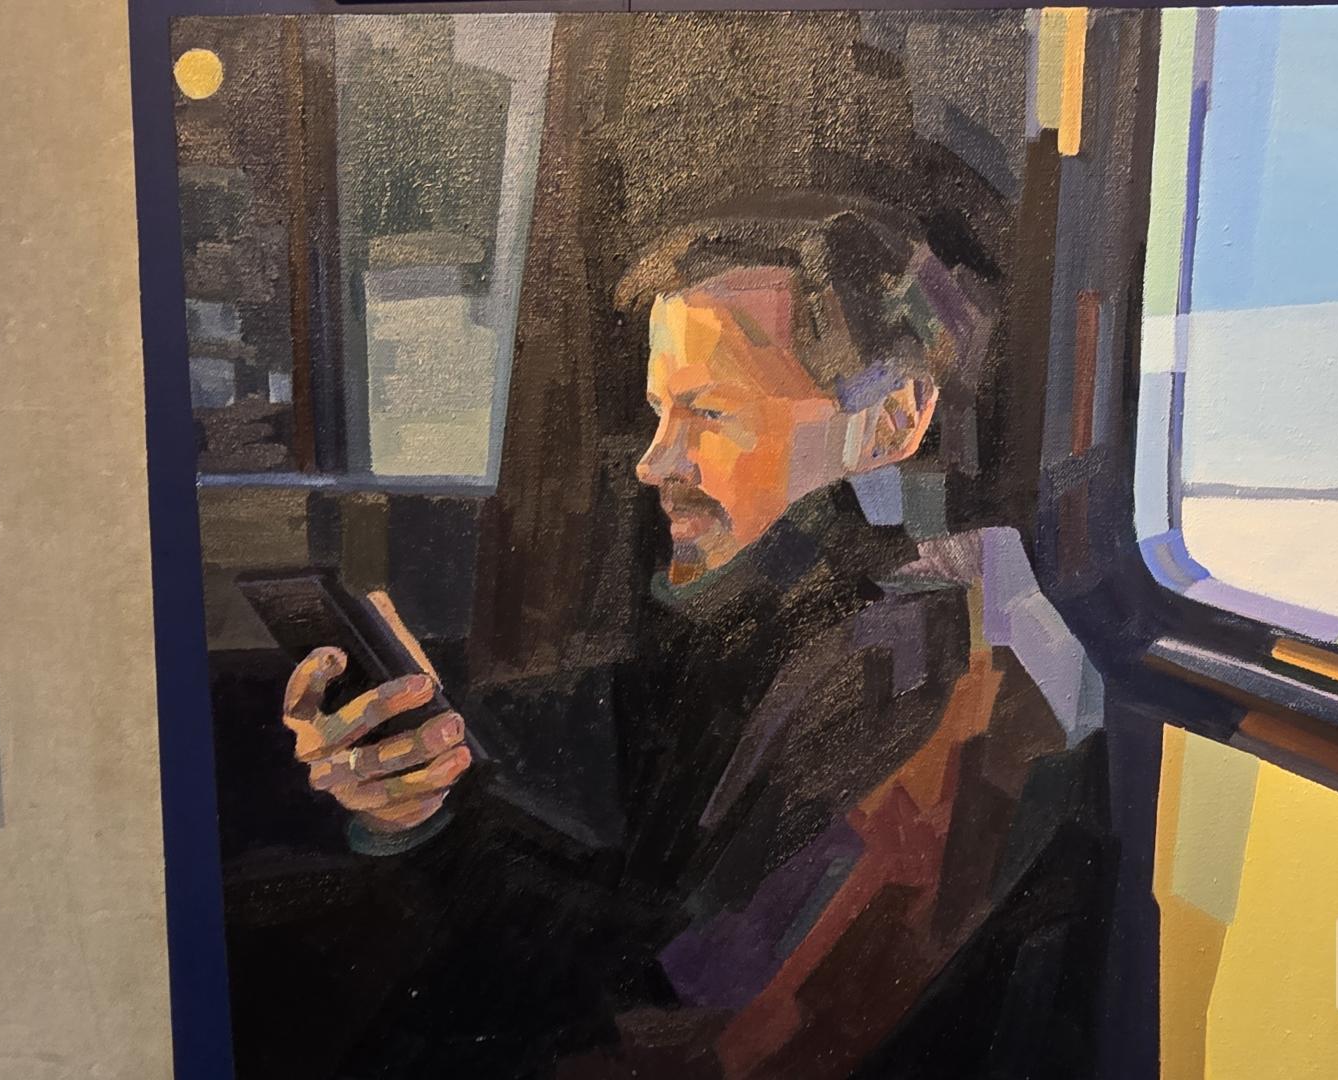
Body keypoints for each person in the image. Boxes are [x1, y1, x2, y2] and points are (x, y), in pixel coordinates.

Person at [269, 197, 1114, 1079]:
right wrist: (415, 796)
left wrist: (437, 832)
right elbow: (635, 904)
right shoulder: (750, 626)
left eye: (709, 414)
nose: (653, 462)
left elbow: (695, 1023)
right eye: (658, 414)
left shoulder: (930, 673)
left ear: (891, 423)